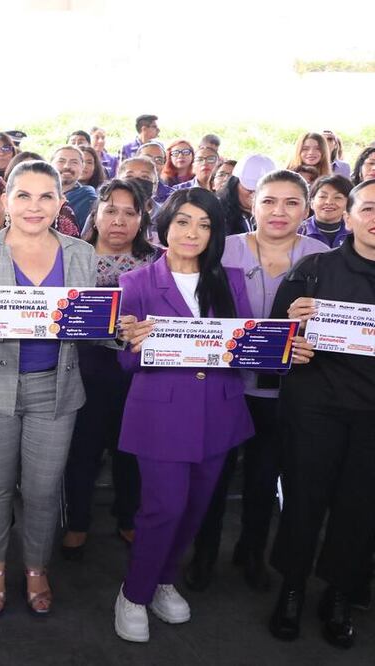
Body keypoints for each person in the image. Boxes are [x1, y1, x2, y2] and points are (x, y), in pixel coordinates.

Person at [0, 160, 98, 618]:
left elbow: (90, 323)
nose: (35, 206)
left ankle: (35, 567)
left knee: (44, 489)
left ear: (59, 202)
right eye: (24, 196)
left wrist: (119, 325)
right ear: (7, 200)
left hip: (57, 387)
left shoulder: (80, 253)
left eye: (45, 196)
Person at [113, 188, 263, 643]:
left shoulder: (230, 280)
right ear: (165, 225)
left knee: (196, 508)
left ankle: (163, 579)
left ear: (216, 232)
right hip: (161, 416)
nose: (192, 232)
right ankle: (134, 593)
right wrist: (131, 342)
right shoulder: (135, 283)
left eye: (204, 224)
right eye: (183, 221)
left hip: (218, 412)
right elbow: (127, 363)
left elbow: (246, 348)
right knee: (163, 508)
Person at [183, 171, 329, 593]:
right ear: (252, 204)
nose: (279, 212)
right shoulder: (223, 250)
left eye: (290, 203)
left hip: (287, 392)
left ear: (307, 208)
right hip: (225, 386)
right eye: (269, 201)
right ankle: (204, 554)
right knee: (213, 477)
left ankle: (251, 553)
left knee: (264, 480)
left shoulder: (321, 257)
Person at [267, 179, 375, 649]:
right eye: (368, 208)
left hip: (372, 416)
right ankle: (291, 587)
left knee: (360, 509)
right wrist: (293, 336)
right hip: (315, 408)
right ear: (346, 217)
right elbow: (271, 340)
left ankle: (338, 594)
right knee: (304, 500)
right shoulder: (313, 269)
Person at [61, 180, 158, 560]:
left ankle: (128, 517)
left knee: (130, 449)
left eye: (129, 212)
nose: (119, 220)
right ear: (96, 215)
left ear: (141, 219)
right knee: (81, 449)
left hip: (136, 370)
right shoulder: (72, 256)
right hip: (81, 366)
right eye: (111, 210)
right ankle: (78, 523)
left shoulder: (156, 261)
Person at [218, 155, 276, 236]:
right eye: (249, 188)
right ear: (234, 184)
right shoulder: (218, 215)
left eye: (261, 190)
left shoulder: (276, 218)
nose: (255, 194)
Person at [51, 145, 98, 232]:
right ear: (51, 164)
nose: (67, 166)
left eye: (74, 162)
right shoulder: (38, 193)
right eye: (61, 161)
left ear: (82, 167)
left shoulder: (88, 197)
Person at [299, 175, 353, 248]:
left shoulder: (355, 232)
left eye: (337, 197)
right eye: (322, 196)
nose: (329, 202)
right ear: (311, 203)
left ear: (349, 204)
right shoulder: (298, 231)